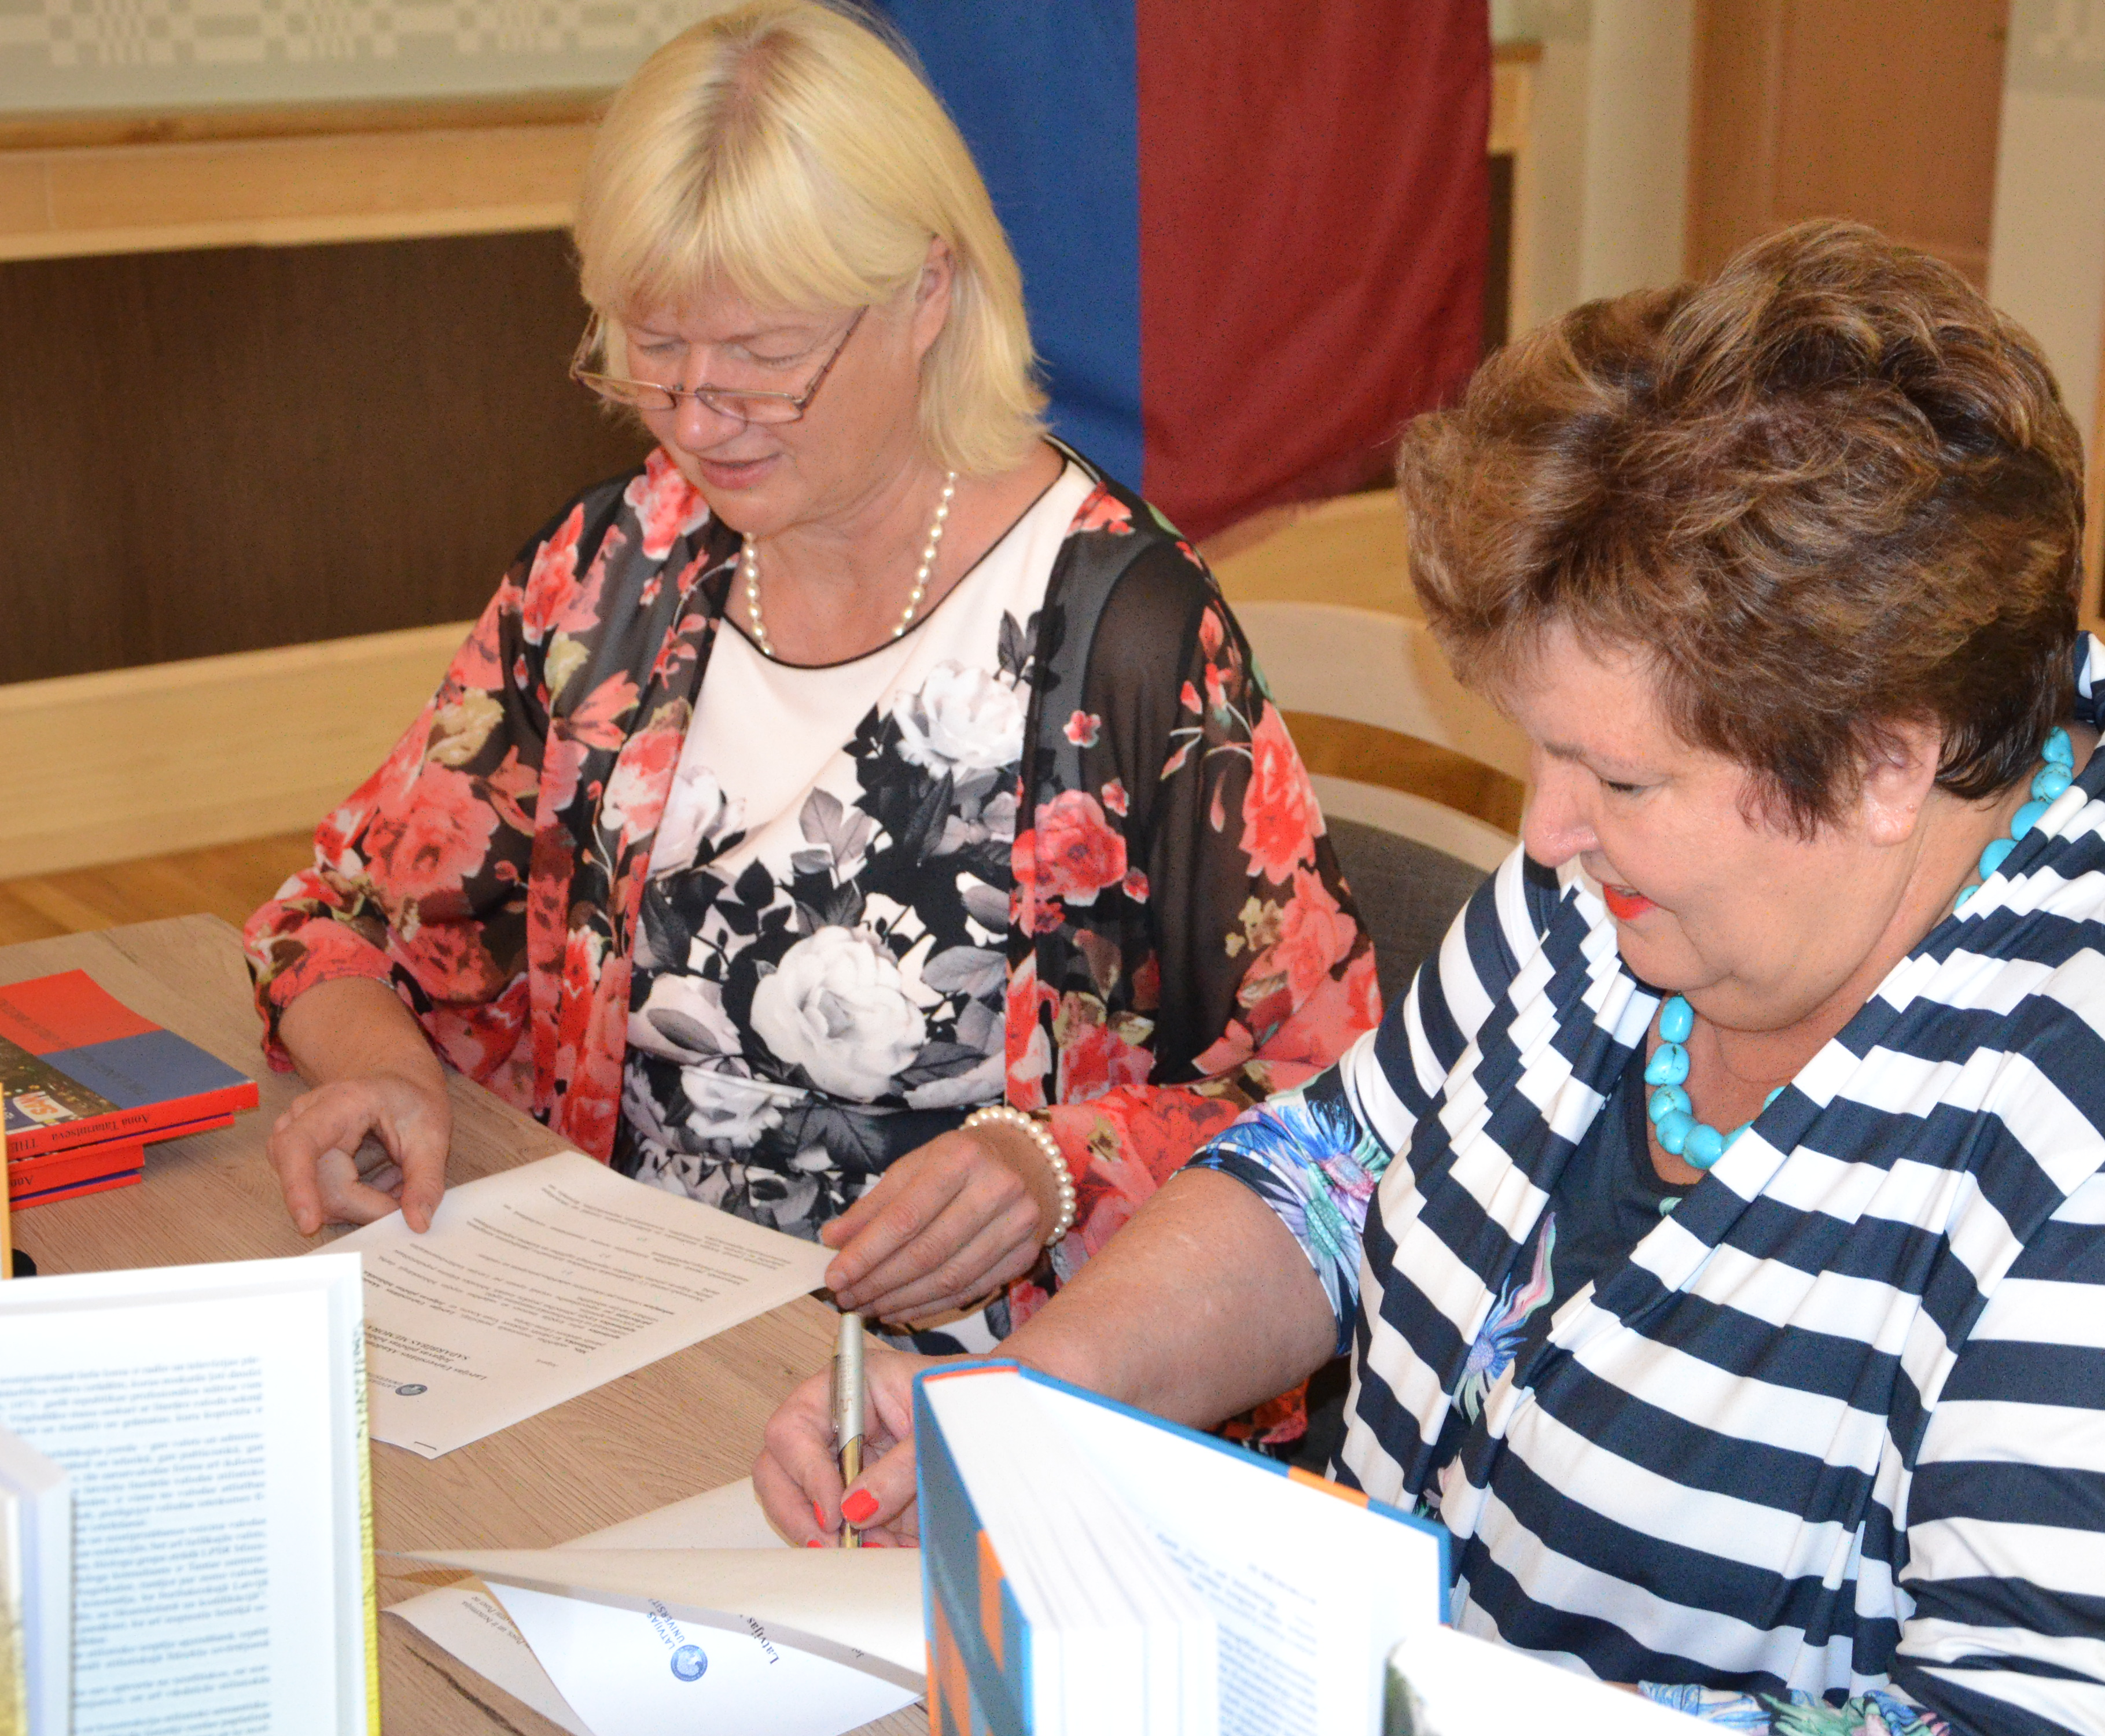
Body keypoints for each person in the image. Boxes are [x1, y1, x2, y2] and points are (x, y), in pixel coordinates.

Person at [758, 221, 2105, 1736]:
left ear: (1888, 759)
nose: (1548, 832)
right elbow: (1341, 1178)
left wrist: (1409, 1735)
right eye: (1549, 755)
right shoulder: (1669, 877)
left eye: (1620, 780)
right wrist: (1027, 1425)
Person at [243, 0, 1379, 1377]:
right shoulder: (616, 568)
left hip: (942, 1383)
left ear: (927, 294)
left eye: (765, 357)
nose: (695, 414)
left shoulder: (1118, 633)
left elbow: (1339, 1118)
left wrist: (1053, 1165)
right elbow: (344, 915)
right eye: (653, 346)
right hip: (612, 1331)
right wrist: (383, 1070)